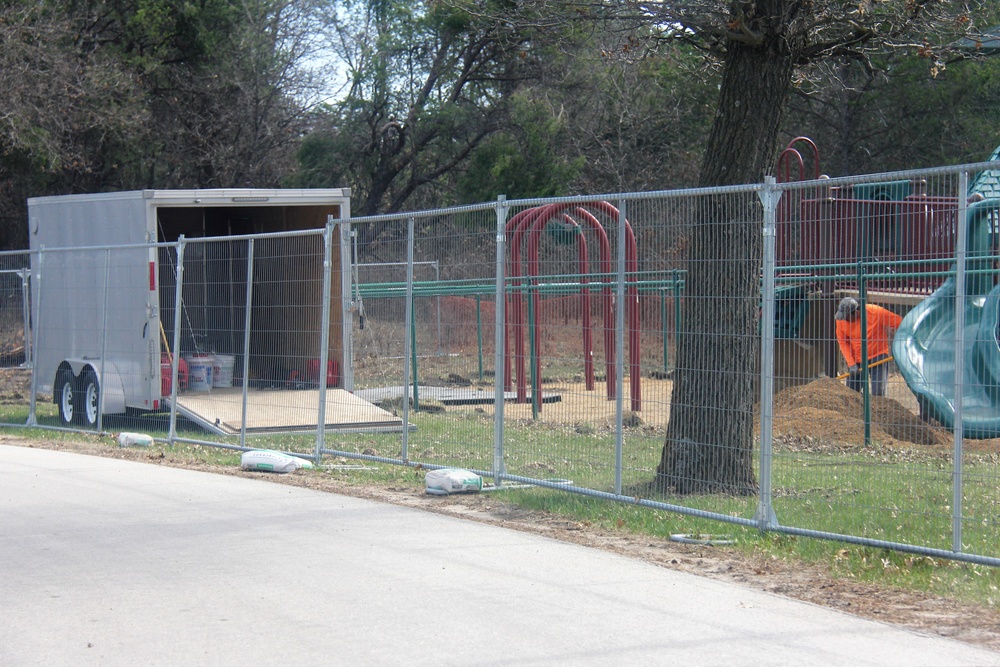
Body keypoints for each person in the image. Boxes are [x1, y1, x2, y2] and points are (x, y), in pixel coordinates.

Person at [835, 297, 902, 397]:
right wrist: (851, 363)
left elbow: (900, 322)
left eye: (847, 317)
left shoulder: (875, 312)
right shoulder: (841, 320)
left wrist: (901, 345)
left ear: (856, 312)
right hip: (857, 359)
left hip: (878, 355)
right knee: (850, 394)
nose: (844, 320)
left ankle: (876, 412)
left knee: (878, 393)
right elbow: (843, 342)